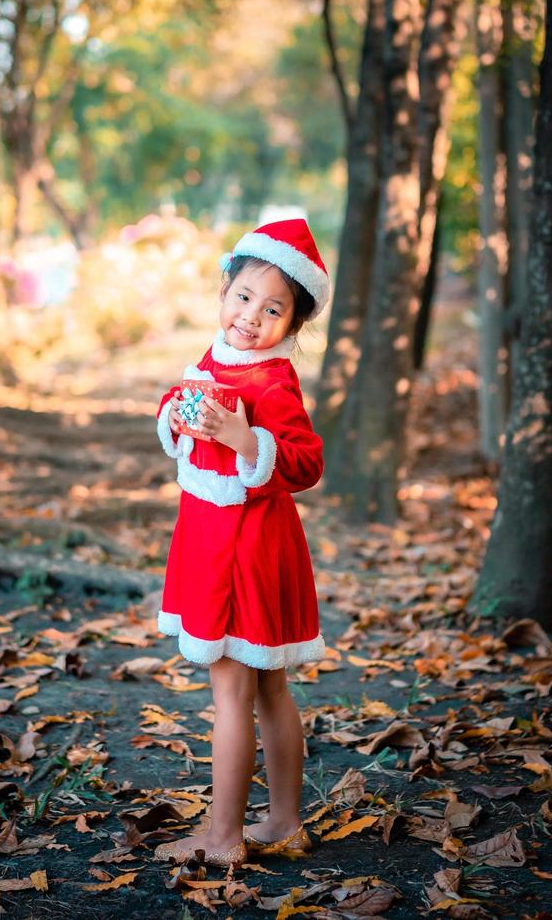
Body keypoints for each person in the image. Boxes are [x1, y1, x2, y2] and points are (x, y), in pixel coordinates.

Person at [151, 219, 331, 868]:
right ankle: (283, 821)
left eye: (274, 308)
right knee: (270, 687)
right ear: (224, 290)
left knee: (236, 691)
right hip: (214, 537)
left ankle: (224, 838)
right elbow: (185, 396)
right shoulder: (215, 355)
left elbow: (306, 461)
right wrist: (175, 413)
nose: (252, 317)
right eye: (245, 297)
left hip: (246, 550)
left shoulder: (274, 381)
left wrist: (244, 439)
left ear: (294, 326)